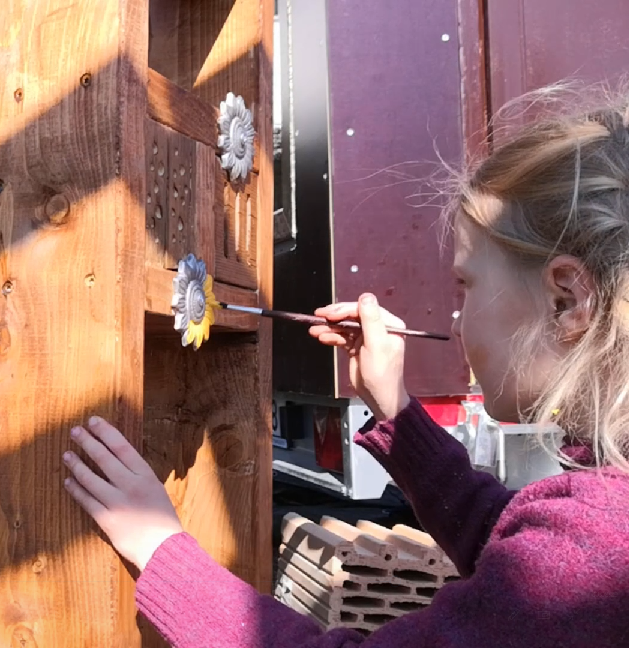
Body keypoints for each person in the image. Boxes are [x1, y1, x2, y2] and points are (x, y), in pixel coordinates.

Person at [61, 94, 629, 647]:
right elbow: (510, 549)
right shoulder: (595, 532)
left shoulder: (594, 549)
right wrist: (397, 413)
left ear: (567, 300)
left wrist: (162, 551)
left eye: (467, 285)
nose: (457, 321)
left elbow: (549, 574)